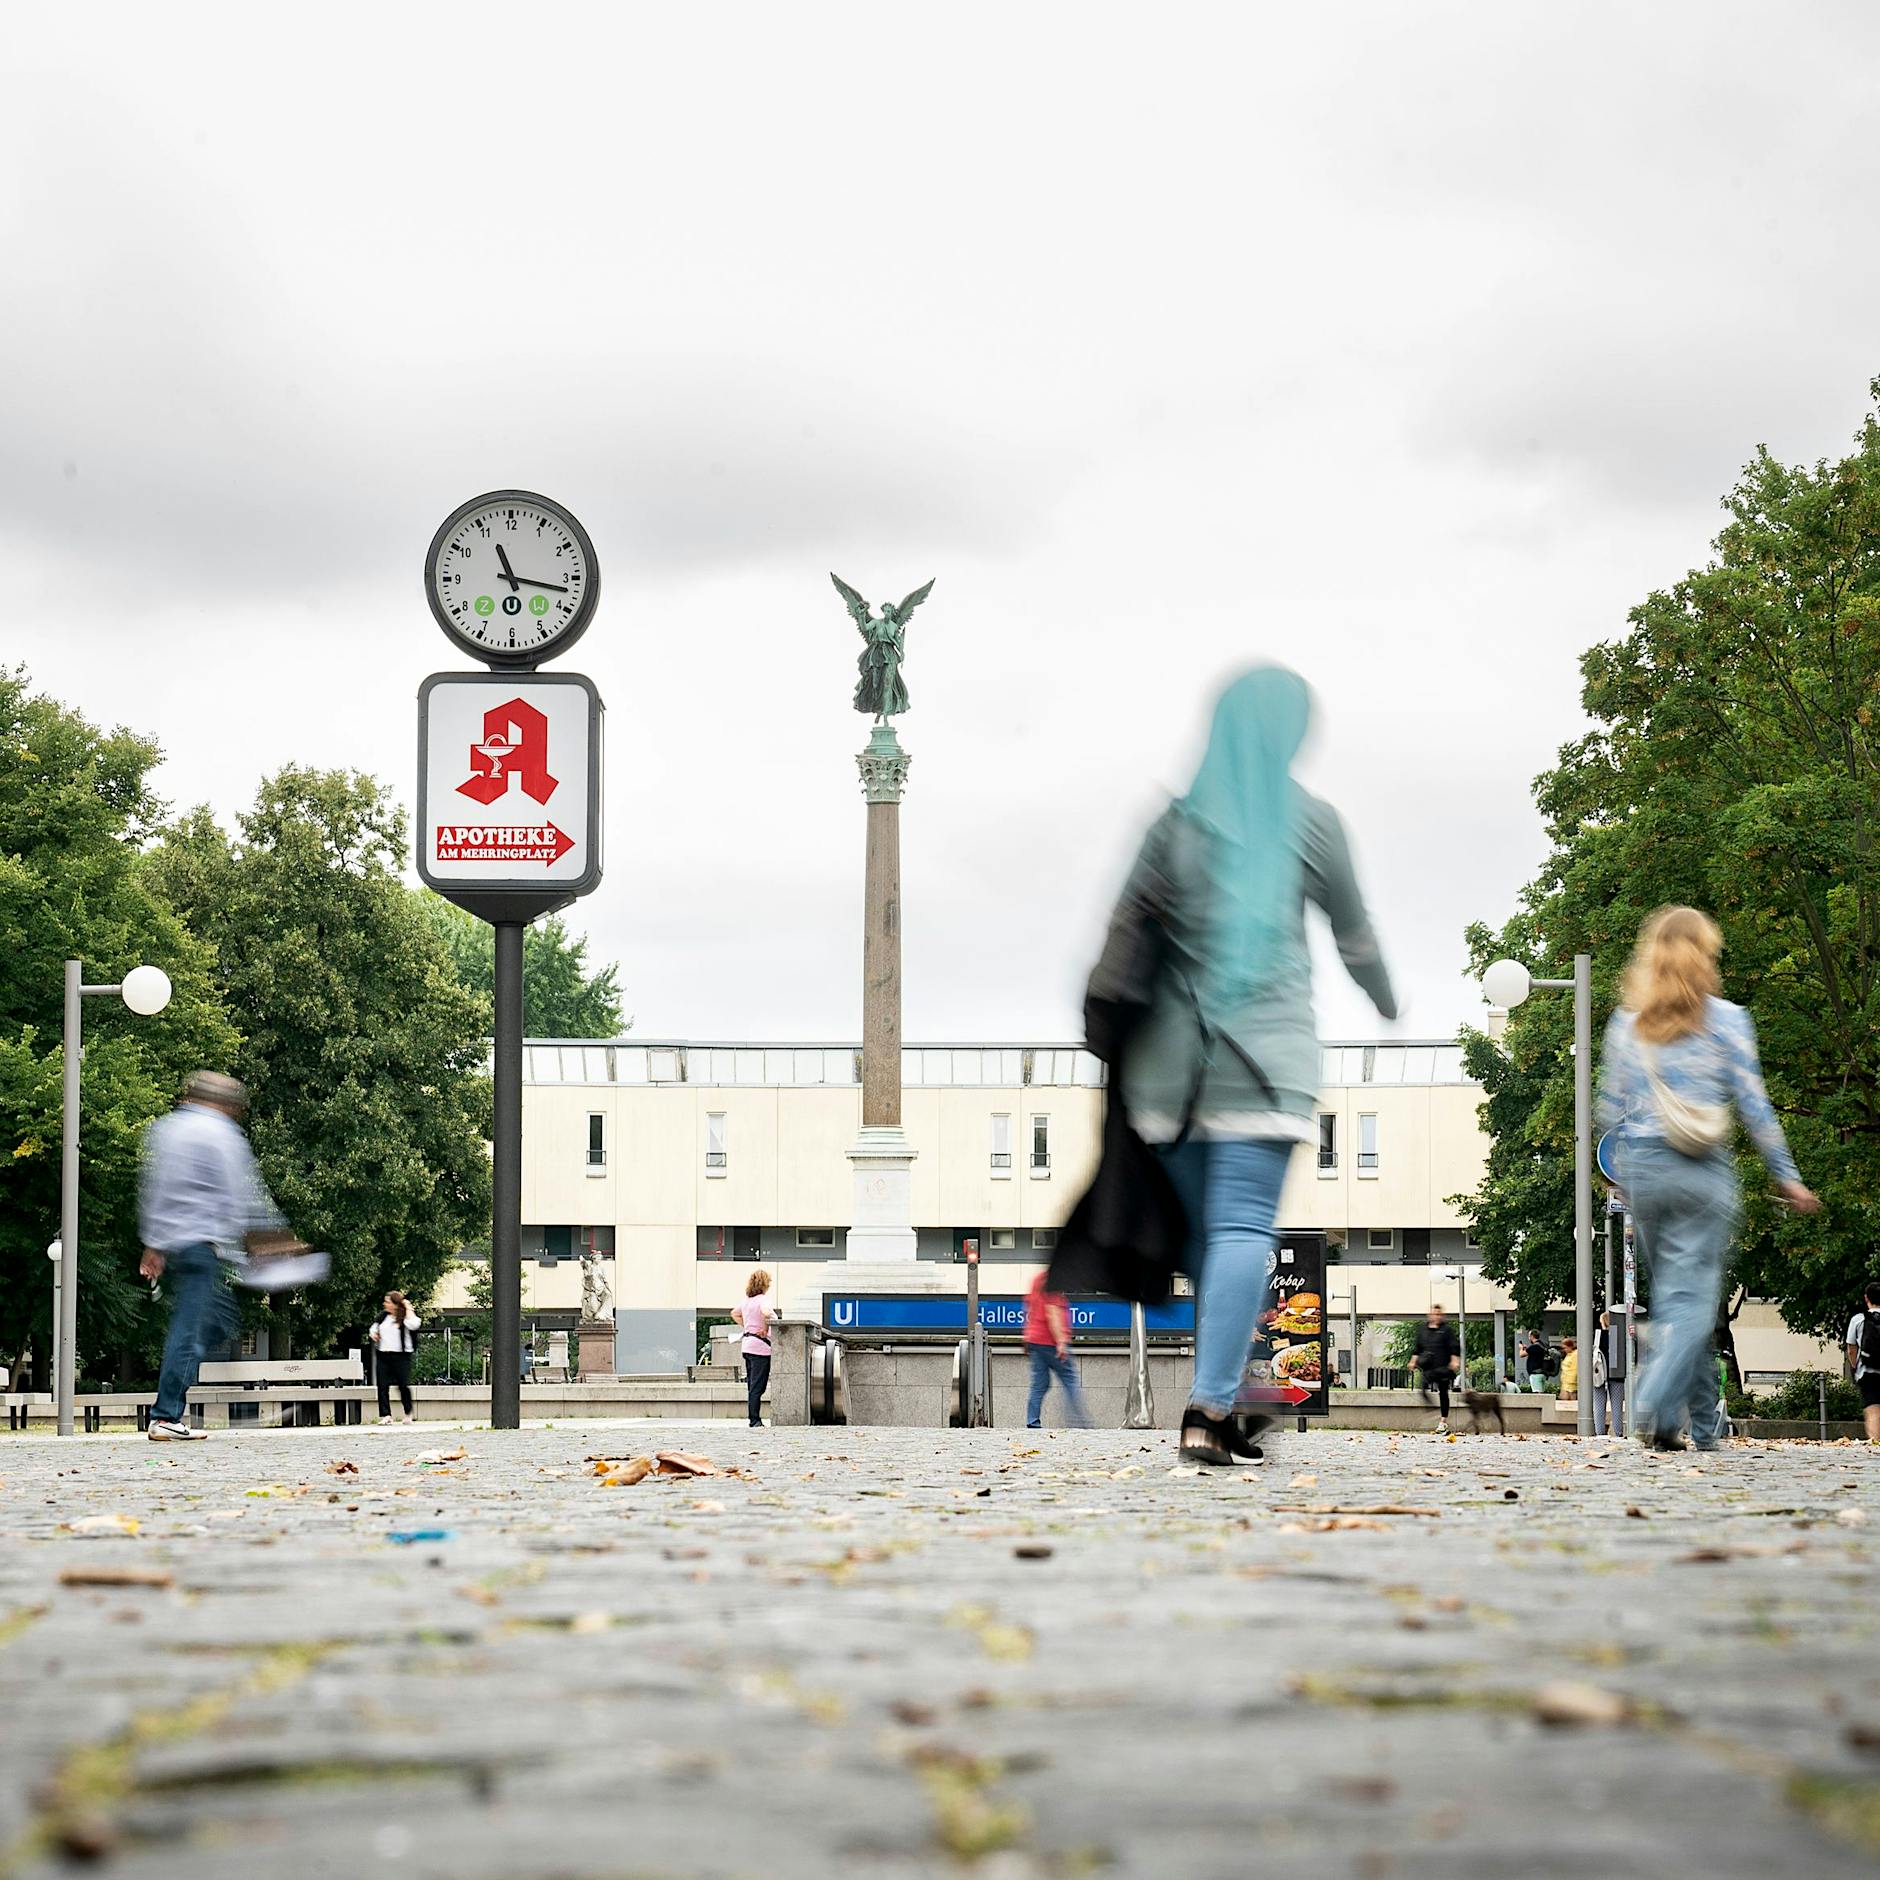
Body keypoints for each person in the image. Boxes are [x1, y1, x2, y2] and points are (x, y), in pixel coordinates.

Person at [1107, 667, 1396, 1466]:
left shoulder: (1174, 822)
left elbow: (1123, 934)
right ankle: (1211, 1406)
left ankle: (1228, 1394)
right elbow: (1356, 934)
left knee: (1212, 1240)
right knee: (1240, 1227)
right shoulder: (1312, 821)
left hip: (1169, 1071)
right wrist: (1386, 997)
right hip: (1266, 1062)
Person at [1597, 907, 1818, 1453]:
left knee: (1678, 1300)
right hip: (1702, 1170)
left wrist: (1617, 1179)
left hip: (1644, 1173)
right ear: (1706, 955)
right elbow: (1756, 1108)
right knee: (1693, 1301)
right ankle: (1653, 1399)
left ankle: (1698, 1427)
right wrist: (1788, 1177)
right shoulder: (1727, 1020)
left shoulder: (1628, 1023)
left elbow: (1609, 1110)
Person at [138, 1071, 291, 1442]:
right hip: (201, 1247)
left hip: (179, 1246)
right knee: (191, 1328)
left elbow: (155, 1190)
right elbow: (239, 1192)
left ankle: (177, 1381)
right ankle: (166, 1414)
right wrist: (263, 1240)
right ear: (225, 1104)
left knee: (219, 1319)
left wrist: (154, 1244)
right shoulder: (222, 1133)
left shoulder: (168, 1130)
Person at [1023, 1270, 1092, 1429]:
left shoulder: (1037, 1279)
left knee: (1039, 1384)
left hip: (1035, 1340)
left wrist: (1027, 1336)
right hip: (1050, 1341)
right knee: (1070, 1379)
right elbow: (1052, 1312)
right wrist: (1060, 1341)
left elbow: (1030, 1308)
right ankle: (1079, 1422)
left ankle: (1032, 1421)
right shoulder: (1052, 1281)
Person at [368, 1292, 422, 1423]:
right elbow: (373, 1328)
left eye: (388, 1302)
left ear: (395, 1304)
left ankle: (408, 1412)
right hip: (383, 1355)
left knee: (403, 1385)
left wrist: (407, 1307)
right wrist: (374, 1334)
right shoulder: (383, 1317)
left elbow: (414, 1324)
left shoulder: (405, 1317)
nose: (385, 1304)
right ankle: (386, 1415)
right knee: (382, 1385)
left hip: (401, 1356)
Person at [1411, 1303, 1461, 1433]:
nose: (1437, 1316)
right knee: (1422, 1385)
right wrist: (1413, 1361)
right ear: (1430, 1315)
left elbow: (1454, 1347)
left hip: (1443, 1367)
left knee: (1443, 1393)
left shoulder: (1446, 1330)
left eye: (1439, 1314)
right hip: (1429, 1367)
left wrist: (1455, 1360)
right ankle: (1431, 1407)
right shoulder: (1423, 1330)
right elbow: (1417, 1348)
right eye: (1434, 1314)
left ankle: (1443, 1421)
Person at [737, 1269, 774, 1428]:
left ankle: (753, 1418)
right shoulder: (762, 1300)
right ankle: (755, 1420)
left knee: (752, 1385)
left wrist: (747, 1327)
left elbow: (734, 1313)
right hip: (761, 1348)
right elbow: (766, 1313)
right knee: (758, 1386)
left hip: (747, 1346)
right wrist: (765, 1329)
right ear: (765, 1284)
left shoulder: (746, 1301)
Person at [1846, 1281, 1880, 1444]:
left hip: (1867, 1370)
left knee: (1872, 1407)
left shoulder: (1858, 1319)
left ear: (1866, 1298)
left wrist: (1855, 1366)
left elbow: (1851, 1348)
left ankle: (1876, 1442)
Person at [1591, 1308, 1625, 1437]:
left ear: (1603, 1322)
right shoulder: (1619, 1336)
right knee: (1617, 1406)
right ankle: (1618, 1433)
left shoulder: (1598, 1337)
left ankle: (1600, 1433)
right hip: (1617, 1375)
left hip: (1599, 1374)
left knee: (1599, 1405)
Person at [1558, 1336, 1580, 1403]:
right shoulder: (1568, 1355)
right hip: (1565, 1383)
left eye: (1565, 1348)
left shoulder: (1575, 1355)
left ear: (1570, 1346)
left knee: (1570, 1403)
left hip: (1570, 1384)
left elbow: (1575, 1369)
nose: (1564, 1350)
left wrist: (1571, 1381)